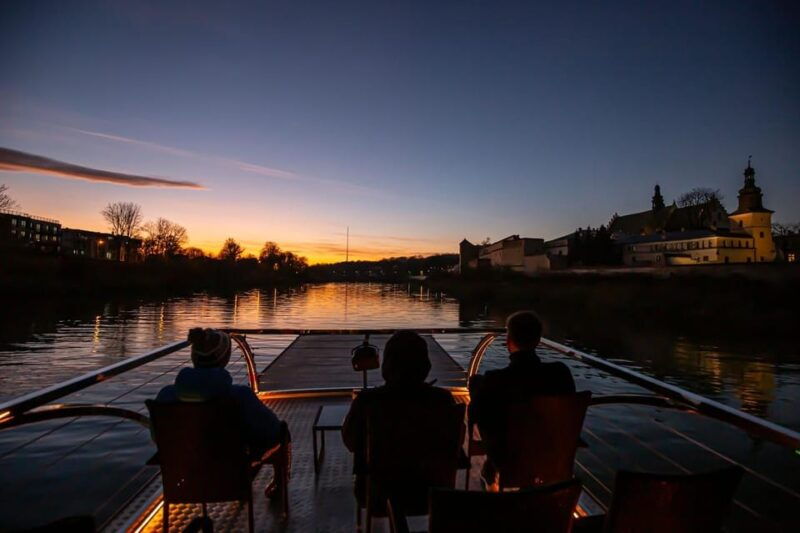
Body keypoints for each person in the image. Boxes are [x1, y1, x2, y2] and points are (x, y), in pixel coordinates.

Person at [342, 330, 455, 500]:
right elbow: (453, 442)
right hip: (432, 492)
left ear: (387, 364)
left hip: (378, 494)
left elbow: (351, 442)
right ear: (425, 364)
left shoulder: (367, 401)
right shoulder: (443, 400)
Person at [468, 310, 576, 488]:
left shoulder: (496, 380)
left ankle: (492, 462)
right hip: (553, 456)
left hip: (509, 459)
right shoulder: (561, 374)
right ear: (538, 340)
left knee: (479, 390)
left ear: (508, 342)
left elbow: (474, 416)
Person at [155, 328, 284, 471]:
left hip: (184, 471)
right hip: (230, 472)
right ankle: (278, 483)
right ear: (224, 359)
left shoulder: (165, 396)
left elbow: (158, 436)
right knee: (282, 432)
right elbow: (273, 431)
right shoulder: (240, 396)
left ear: (193, 357)